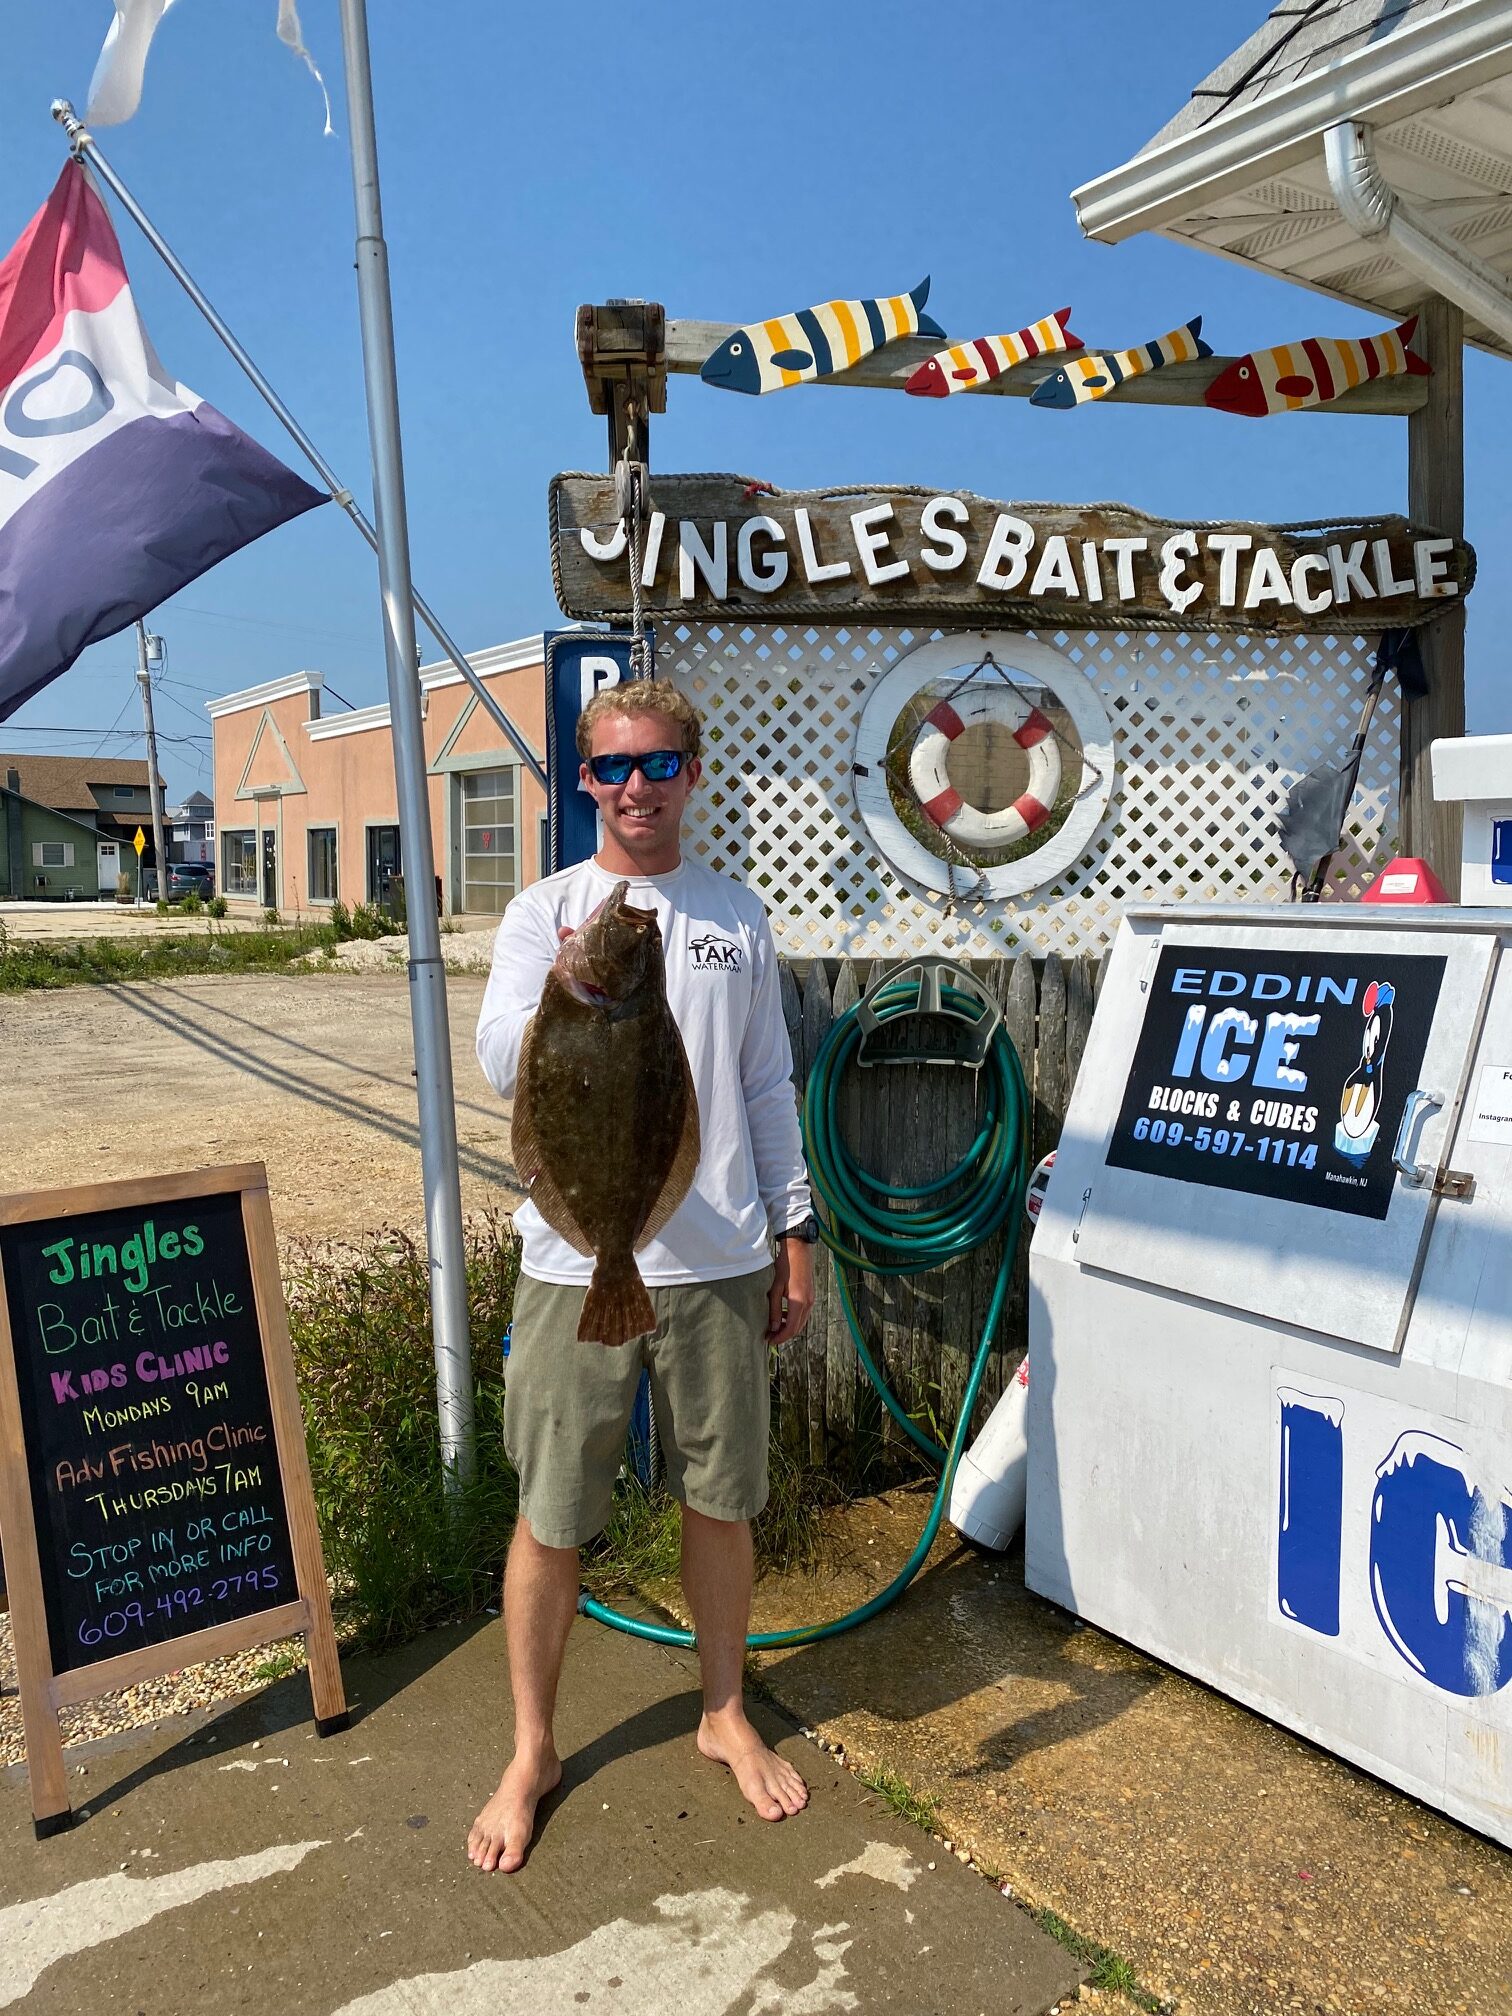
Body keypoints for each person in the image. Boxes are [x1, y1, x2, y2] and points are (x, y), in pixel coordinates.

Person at [469, 678, 818, 1874]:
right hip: (579, 1258)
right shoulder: (544, 918)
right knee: (554, 1510)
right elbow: (495, 1065)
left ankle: (723, 1709)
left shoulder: (736, 917)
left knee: (722, 1498)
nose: (637, 787)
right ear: (584, 780)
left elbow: (765, 1085)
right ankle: (533, 1748)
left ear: (692, 775)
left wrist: (796, 1230)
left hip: (718, 1255)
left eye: (660, 765)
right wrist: (568, 991)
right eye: (616, 767)